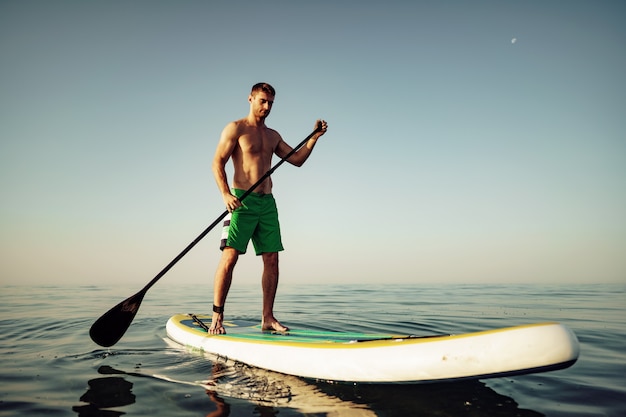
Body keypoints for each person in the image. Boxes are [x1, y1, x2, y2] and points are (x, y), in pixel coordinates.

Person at [209, 82, 328, 334]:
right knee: (229, 258)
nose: (267, 107)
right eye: (262, 101)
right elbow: (217, 163)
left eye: (271, 103)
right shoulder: (236, 129)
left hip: (267, 203)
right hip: (241, 201)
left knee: (272, 259)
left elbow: (296, 160)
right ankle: (217, 317)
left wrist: (314, 138)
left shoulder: (273, 136)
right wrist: (225, 194)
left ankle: (268, 317)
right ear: (250, 99)